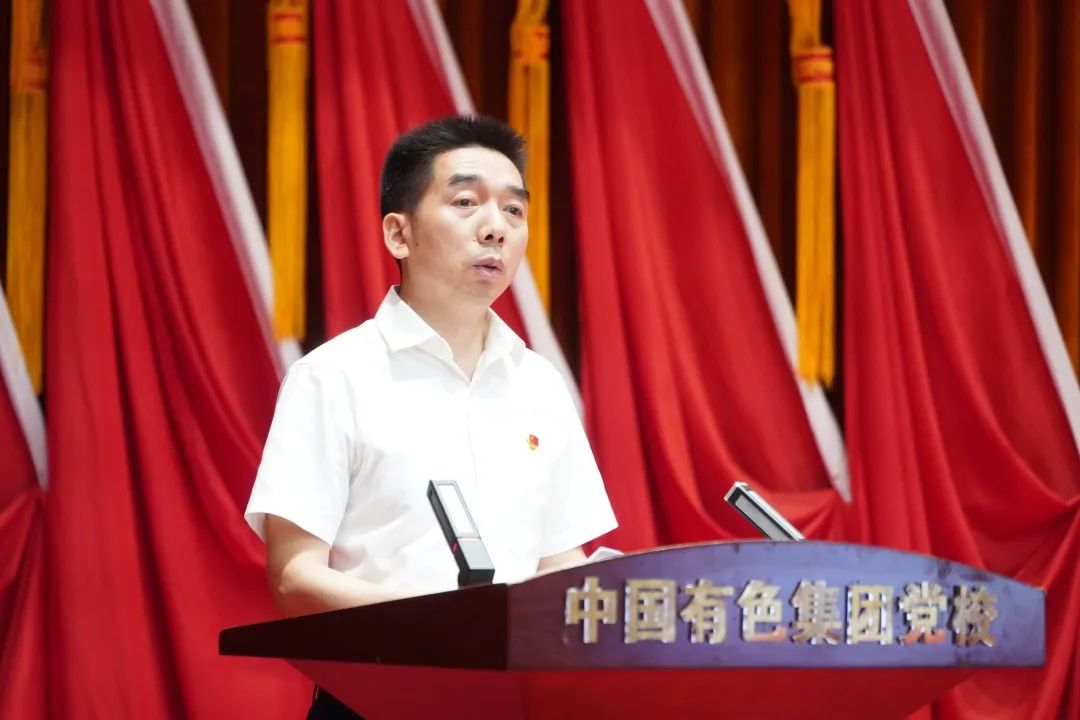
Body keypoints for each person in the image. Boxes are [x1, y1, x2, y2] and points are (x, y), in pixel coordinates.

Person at [244, 116, 617, 719]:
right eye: (466, 203)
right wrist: (440, 625)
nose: (495, 228)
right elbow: (295, 578)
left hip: (515, 703)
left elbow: (559, 566)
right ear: (399, 234)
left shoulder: (540, 385)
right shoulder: (332, 377)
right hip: (375, 701)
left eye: (514, 211)